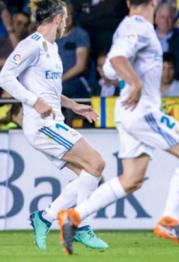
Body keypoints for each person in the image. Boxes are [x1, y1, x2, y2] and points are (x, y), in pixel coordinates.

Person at [58, 0, 179, 254]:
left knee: (132, 179)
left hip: (127, 112)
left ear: (127, 2)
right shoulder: (139, 25)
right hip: (141, 110)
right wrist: (135, 83)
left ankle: (74, 216)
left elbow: (108, 68)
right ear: (155, 2)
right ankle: (169, 220)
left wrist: (127, 75)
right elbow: (115, 58)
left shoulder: (125, 26)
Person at [0, 0, 107, 253]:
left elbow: (49, 91)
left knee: (89, 176)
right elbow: (5, 76)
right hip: (41, 125)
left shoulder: (52, 48)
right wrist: (33, 101)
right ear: (58, 18)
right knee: (97, 163)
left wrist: (74, 106)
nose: (67, 22)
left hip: (53, 121)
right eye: (66, 17)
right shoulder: (31, 45)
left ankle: (46, 217)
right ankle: (80, 225)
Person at [56, 3, 91, 99]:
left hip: (74, 83)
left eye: (69, 14)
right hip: (52, 83)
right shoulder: (50, 35)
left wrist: (60, 79)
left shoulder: (80, 35)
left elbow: (80, 66)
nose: (66, 18)